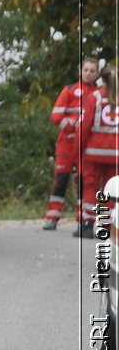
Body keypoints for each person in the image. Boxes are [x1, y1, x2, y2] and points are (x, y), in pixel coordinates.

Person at [45, 57, 104, 231]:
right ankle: (52, 218)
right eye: (86, 70)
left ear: (97, 74)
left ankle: (82, 220)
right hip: (66, 143)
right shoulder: (69, 90)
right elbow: (56, 115)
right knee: (61, 179)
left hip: (85, 144)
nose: (88, 73)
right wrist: (71, 127)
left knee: (84, 182)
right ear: (81, 71)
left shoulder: (98, 94)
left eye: (92, 71)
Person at [76, 64, 118, 238]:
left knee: (90, 187)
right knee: (110, 191)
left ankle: (87, 224)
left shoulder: (95, 97)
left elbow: (85, 126)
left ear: (101, 79)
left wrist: (79, 148)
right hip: (115, 154)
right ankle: (105, 225)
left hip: (94, 152)